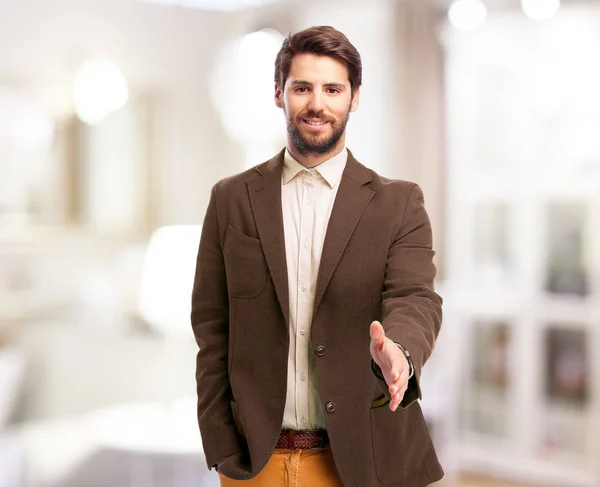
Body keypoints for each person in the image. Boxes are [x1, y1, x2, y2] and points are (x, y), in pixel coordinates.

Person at [191, 25, 444, 487]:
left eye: (333, 89)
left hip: (364, 460)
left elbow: (416, 297)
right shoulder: (230, 199)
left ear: (354, 98)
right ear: (278, 94)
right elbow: (211, 326)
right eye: (302, 87)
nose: (317, 104)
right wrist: (220, 441)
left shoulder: (399, 203)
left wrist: (400, 353)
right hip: (255, 463)